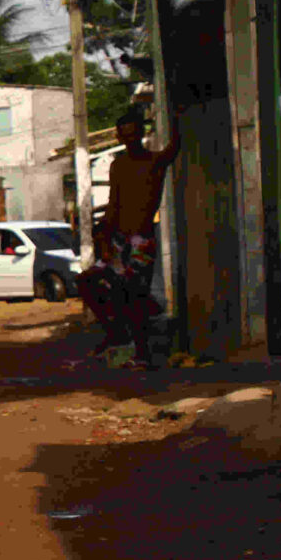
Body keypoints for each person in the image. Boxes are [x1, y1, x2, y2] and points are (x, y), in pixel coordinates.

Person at [82, 110, 180, 367]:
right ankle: (117, 335)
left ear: (142, 134)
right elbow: (114, 204)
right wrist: (103, 234)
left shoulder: (155, 161)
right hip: (118, 240)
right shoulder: (118, 165)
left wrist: (177, 117)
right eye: (125, 136)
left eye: (134, 134)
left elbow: (174, 148)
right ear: (118, 137)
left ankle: (142, 352)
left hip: (142, 241)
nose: (130, 140)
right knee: (88, 281)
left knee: (133, 293)